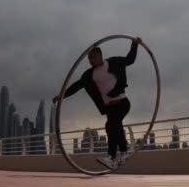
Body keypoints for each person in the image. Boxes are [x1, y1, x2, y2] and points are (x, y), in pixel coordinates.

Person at [53, 37, 141, 169]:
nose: (90, 62)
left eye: (93, 58)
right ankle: (119, 155)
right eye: (89, 59)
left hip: (122, 102)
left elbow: (130, 59)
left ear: (100, 55)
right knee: (111, 126)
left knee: (113, 124)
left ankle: (117, 154)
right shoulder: (90, 74)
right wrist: (62, 96)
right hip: (110, 107)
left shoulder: (114, 62)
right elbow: (77, 86)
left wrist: (135, 44)